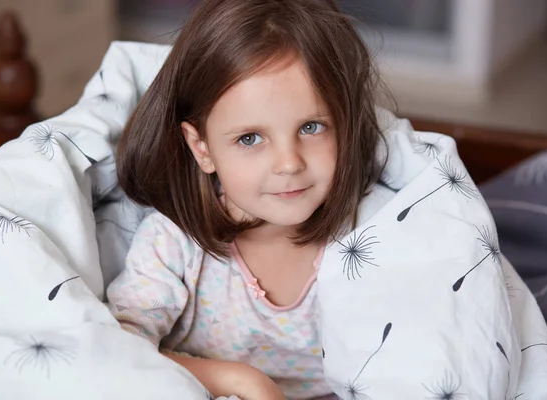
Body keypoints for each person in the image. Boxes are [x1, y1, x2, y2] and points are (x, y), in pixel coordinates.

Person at [106, 0, 383, 399]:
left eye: (311, 126)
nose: (289, 163)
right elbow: (116, 349)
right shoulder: (175, 245)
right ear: (201, 147)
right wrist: (241, 381)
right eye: (249, 138)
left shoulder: (369, 235)